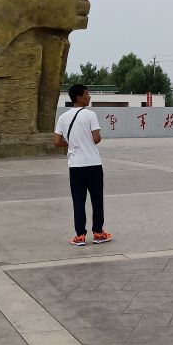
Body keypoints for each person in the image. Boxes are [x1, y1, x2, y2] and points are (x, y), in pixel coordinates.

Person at [54, 83, 112, 246]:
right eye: (87, 94)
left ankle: (80, 236)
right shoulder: (90, 115)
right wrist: (88, 140)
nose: (89, 96)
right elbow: (96, 138)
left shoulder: (63, 117)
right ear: (79, 97)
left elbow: (57, 141)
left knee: (78, 201)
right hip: (93, 164)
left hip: (75, 165)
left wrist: (73, 144)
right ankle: (98, 233)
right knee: (97, 200)